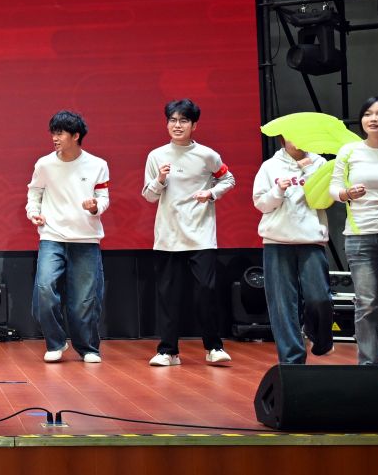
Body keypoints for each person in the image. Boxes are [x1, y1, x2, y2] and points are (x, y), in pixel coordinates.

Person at [140, 98, 235, 367]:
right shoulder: (156, 156)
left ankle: (213, 347)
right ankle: (168, 351)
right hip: (168, 235)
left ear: (194, 125)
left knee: (206, 290)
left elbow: (228, 179)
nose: (177, 125)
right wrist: (160, 180)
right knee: (168, 295)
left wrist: (211, 193)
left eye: (183, 120)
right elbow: (148, 196)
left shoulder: (207, 155)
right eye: (172, 120)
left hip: (201, 233)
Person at [28, 111, 110, 364]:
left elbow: (104, 198)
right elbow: (34, 193)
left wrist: (95, 207)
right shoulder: (44, 164)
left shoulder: (97, 164)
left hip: (86, 238)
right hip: (52, 235)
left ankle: (88, 348)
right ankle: (55, 342)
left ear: (76, 136)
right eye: (53, 133)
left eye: (60, 133)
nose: (55, 138)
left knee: (85, 299)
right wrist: (34, 213)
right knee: (44, 288)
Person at [333, 97, 378, 372]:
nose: (373, 119)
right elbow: (334, 189)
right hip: (359, 234)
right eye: (367, 114)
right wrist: (347, 193)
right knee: (366, 303)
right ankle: (369, 364)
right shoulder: (349, 151)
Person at [253, 135, 334, 366]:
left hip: (311, 239)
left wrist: (307, 173)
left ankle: (318, 335)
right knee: (282, 304)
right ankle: (292, 360)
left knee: (319, 297)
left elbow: (324, 201)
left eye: (302, 135)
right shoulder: (270, 166)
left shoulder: (319, 163)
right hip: (276, 240)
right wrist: (278, 190)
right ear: (282, 139)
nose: (297, 140)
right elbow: (261, 204)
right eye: (291, 136)